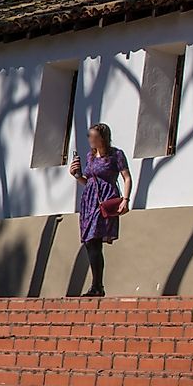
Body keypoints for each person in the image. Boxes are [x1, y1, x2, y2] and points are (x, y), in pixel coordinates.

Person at [73, 123, 132, 297]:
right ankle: (97, 285)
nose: (90, 139)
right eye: (89, 136)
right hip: (88, 201)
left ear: (102, 137)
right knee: (90, 242)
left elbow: (127, 178)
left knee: (95, 239)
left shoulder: (116, 155)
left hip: (105, 200)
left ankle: (97, 286)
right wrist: (77, 175)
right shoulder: (90, 157)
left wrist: (126, 200)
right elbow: (88, 181)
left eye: (93, 136)